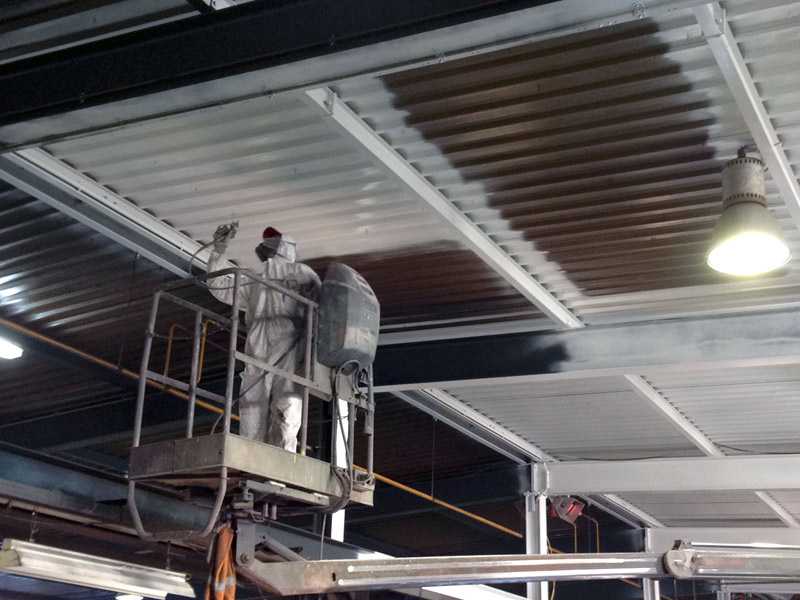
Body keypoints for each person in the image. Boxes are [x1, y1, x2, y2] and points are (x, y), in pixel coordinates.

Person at [207, 225, 320, 452]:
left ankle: (280, 463)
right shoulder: (256, 281)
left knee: (285, 413)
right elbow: (219, 286)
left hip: (288, 355)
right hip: (258, 354)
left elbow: (321, 309)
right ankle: (252, 462)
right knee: (254, 412)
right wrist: (218, 250)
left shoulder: (301, 275)